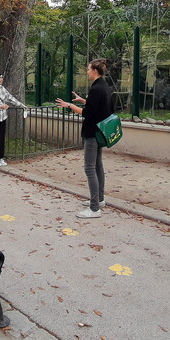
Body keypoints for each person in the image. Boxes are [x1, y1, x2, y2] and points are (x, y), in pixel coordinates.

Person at [55, 58, 112, 219]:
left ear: (95, 70)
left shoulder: (96, 89)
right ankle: (99, 200)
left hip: (92, 132)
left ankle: (94, 209)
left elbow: (88, 113)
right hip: (100, 132)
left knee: (89, 168)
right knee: (97, 166)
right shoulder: (103, 86)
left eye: (88, 69)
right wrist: (83, 101)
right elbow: (99, 106)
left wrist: (70, 105)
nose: (87, 72)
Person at [0, 70, 27, 167]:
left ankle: (0, 157)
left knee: (1, 138)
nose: (1, 79)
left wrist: (21, 105)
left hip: (2, 118)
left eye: (1, 77)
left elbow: (10, 98)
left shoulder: (2, 88)